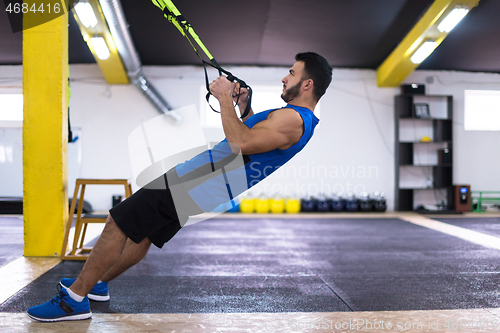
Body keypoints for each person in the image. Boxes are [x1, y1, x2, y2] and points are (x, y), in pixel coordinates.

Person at [27, 52, 333, 322]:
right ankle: (98, 283)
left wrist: (225, 98)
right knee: (143, 235)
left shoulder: (293, 118)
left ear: (307, 84)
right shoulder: (299, 120)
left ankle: (74, 300)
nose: (285, 77)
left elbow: (241, 143)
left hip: (196, 182)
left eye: (292, 73)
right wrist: (244, 107)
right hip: (206, 187)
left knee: (118, 221)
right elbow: (255, 141)